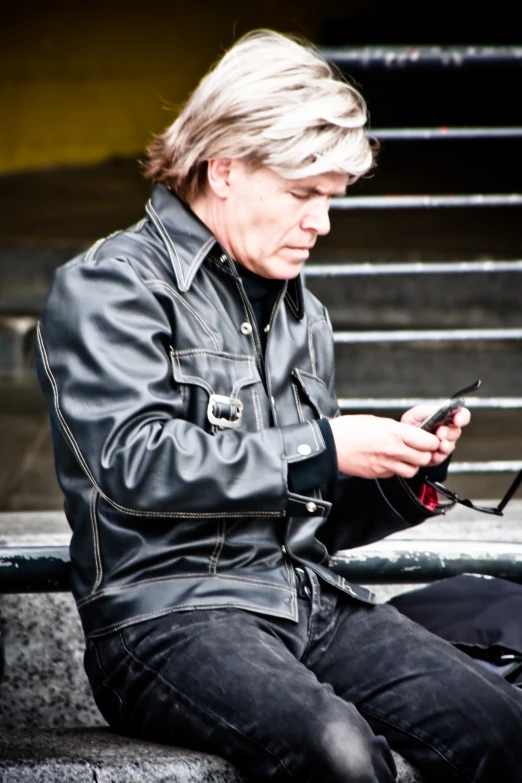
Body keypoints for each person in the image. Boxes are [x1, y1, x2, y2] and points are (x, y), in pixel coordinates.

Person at [36, 29, 522, 783]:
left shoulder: (305, 314)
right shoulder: (110, 286)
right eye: (304, 194)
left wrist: (398, 467)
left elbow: (310, 508)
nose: (322, 223)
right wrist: (325, 445)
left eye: (332, 198)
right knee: (339, 753)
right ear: (224, 168)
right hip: (166, 617)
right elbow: (133, 461)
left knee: (500, 723)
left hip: (306, 597)